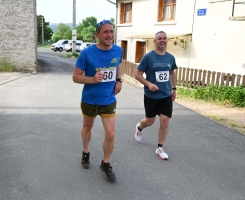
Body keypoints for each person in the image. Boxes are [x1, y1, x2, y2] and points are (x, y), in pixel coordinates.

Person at [72, 19, 123, 182]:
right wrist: (93, 80)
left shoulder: (118, 50)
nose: (109, 35)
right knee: (87, 127)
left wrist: (119, 80)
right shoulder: (87, 53)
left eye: (111, 31)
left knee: (110, 134)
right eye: (105, 32)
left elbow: (118, 66)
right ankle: (86, 151)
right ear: (97, 35)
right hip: (90, 99)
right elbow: (76, 77)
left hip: (108, 100)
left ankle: (105, 163)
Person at [134, 31, 177, 160]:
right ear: (155, 41)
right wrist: (149, 84)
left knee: (165, 121)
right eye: (159, 38)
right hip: (151, 96)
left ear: (167, 40)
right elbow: (138, 74)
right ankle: (139, 127)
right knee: (150, 121)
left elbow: (172, 73)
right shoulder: (148, 57)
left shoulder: (170, 57)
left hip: (165, 95)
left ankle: (160, 148)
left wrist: (174, 88)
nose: (162, 40)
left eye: (164, 38)